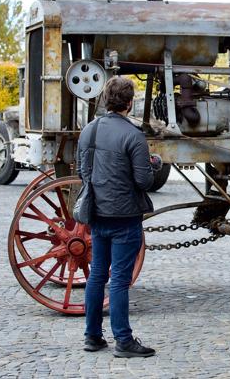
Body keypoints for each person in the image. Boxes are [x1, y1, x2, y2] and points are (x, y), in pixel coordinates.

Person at [79, 77, 160, 358]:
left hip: (97, 214)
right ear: (129, 102)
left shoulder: (88, 130)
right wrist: (155, 165)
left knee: (97, 275)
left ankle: (92, 336)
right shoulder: (134, 136)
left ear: (105, 101)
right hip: (125, 216)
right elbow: (144, 181)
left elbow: (83, 171)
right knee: (119, 280)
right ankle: (123, 341)